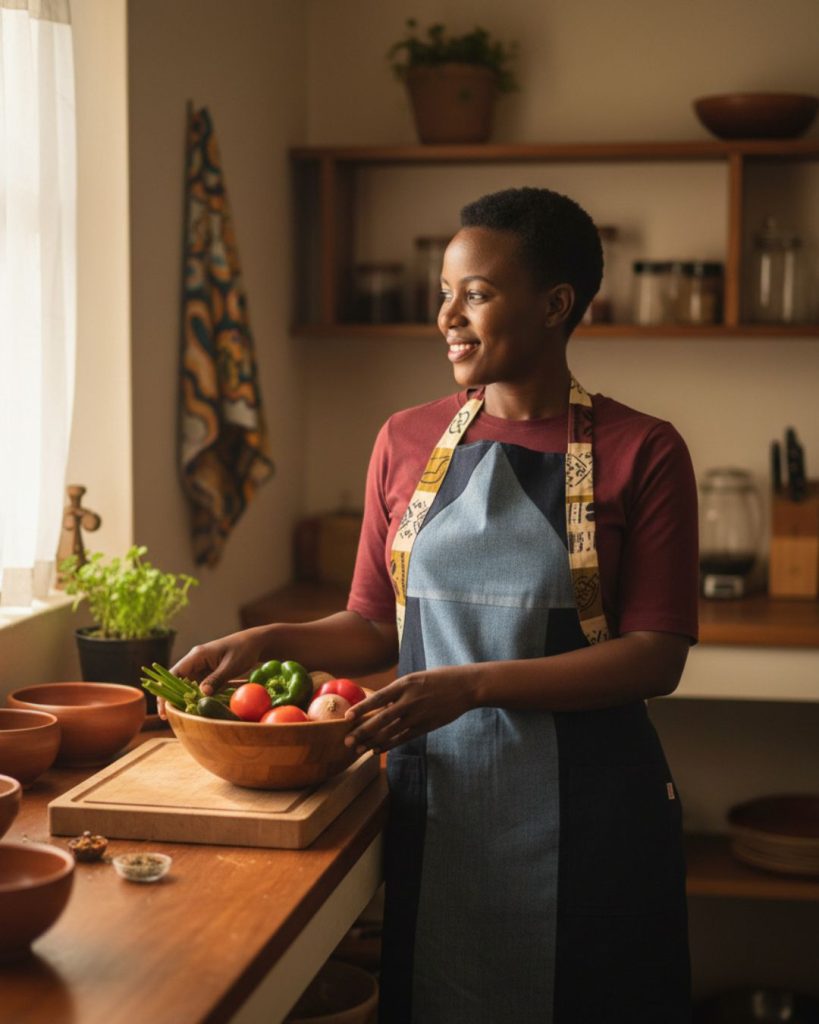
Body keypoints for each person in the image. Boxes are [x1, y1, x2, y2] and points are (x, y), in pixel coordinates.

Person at [168, 187, 699, 1024]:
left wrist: (471, 686)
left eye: (476, 293)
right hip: (442, 799)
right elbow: (375, 624)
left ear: (556, 304)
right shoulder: (405, 438)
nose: (447, 315)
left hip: (591, 804)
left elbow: (655, 656)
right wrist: (273, 638)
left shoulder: (644, 449)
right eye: (443, 291)